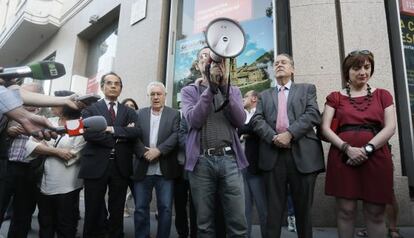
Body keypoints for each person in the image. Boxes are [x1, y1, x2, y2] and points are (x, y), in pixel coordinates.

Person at [321, 50, 396, 238]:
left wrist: (366, 150)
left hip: (376, 156)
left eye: (367, 67)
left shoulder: (383, 95)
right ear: (347, 71)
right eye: (357, 68)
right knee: (345, 211)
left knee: (376, 212)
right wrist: (347, 149)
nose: (363, 71)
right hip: (343, 157)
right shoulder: (335, 97)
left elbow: (390, 128)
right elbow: (325, 129)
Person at [251, 53, 324, 238]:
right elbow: (257, 120)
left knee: (303, 212)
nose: (279, 65)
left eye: (283, 62)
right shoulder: (264, 95)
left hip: (303, 156)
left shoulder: (307, 89)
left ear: (293, 69)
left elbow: (313, 114)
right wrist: (274, 137)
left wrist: (290, 134)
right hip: (272, 157)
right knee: (273, 212)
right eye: (276, 63)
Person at [180, 47, 248, 237]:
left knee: (238, 223)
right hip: (201, 162)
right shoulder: (188, 91)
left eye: (213, 57)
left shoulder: (233, 90)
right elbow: (194, 120)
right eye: (203, 56)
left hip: (229, 160)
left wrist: (224, 86)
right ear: (198, 65)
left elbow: (240, 121)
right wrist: (210, 89)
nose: (208, 59)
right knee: (204, 225)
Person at [79, 72, 139, 238]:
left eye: (117, 83)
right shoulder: (90, 109)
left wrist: (111, 130)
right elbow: (89, 134)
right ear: (102, 86)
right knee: (93, 207)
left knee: (117, 208)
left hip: (120, 166)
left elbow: (135, 132)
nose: (113, 86)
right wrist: (121, 136)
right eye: (110, 83)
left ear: (121, 88)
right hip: (95, 165)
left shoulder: (129, 111)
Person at [26, 90, 85, 237]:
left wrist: (45, 147)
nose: (52, 105)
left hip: (67, 185)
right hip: (44, 183)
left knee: (65, 226)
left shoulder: (77, 124)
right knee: (45, 224)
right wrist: (56, 152)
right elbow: (30, 145)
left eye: (56, 102)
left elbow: (71, 154)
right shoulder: (49, 121)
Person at [131, 81, 180, 238]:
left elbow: (176, 135)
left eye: (159, 94)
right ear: (148, 96)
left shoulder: (174, 114)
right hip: (143, 167)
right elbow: (134, 136)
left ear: (165, 96)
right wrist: (144, 153)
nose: (156, 97)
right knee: (140, 208)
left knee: (165, 208)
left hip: (164, 169)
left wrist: (159, 151)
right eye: (152, 94)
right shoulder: (139, 114)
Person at [239, 90, 267, 238]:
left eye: (246, 96)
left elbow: (254, 128)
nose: (243, 99)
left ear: (255, 98)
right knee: (245, 208)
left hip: (256, 168)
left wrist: (244, 131)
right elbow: (237, 130)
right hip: (242, 167)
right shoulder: (243, 115)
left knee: (263, 208)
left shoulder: (261, 113)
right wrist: (244, 132)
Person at [121, 97, 139, 218]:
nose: (129, 107)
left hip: (136, 164)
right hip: (121, 163)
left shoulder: (140, 121)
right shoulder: (117, 122)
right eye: (126, 105)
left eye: (132, 106)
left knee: (139, 195)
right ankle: (124, 208)